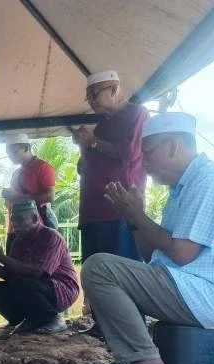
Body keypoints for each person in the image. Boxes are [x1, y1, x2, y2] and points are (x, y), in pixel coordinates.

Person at [81, 112, 214, 364]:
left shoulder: (212, 180)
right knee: (110, 270)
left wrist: (137, 214)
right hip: (187, 288)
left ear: (174, 146)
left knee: (99, 267)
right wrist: (133, 218)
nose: (144, 164)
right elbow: (153, 257)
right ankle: (134, 359)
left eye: (148, 153)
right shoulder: (180, 190)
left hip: (211, 294)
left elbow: (182, 253)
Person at [71, 70, 150, 336]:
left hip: (119, 208)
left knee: (122, 270)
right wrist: (85, 146)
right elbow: (84, 167)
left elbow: (129, 154)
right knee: (95, 272)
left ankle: (132, 326)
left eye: (95, 93)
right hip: (92, 209)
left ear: (115, 90)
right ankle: (103, 324)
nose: (90, 100)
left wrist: (92, 141)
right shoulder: (102, 127)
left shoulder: (138, 115)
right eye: (88, 96)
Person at [0, 200, 78, 335]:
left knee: (23, 282)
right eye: (13, 220)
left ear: (35, 218)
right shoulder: (18, 241)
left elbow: (38, 272)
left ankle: (53, 319)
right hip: (30, 285)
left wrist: (2, 257)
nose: (15, 224)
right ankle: (26, 320)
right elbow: (9, 275)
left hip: (62, 289)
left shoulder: (51, 237)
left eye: (20, 220)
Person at [2, 132, 57, 252]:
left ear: (26, 148)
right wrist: (8, 197)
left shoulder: (42, 167)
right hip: (15, 227)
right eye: (8, 154)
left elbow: (50, 196)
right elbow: (11, 201)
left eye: (14, 152)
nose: (11, 157)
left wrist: (18, 198)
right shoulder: (16, 173)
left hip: (36, 227)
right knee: (13, 266)